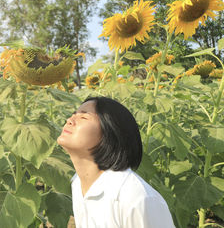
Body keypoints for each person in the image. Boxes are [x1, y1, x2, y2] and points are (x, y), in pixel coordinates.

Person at [57, 96, 175, 228]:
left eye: (83, 117)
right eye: (73, 115)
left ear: (110, 133)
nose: (69, 120)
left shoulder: (135, 197)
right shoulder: (78, 183)